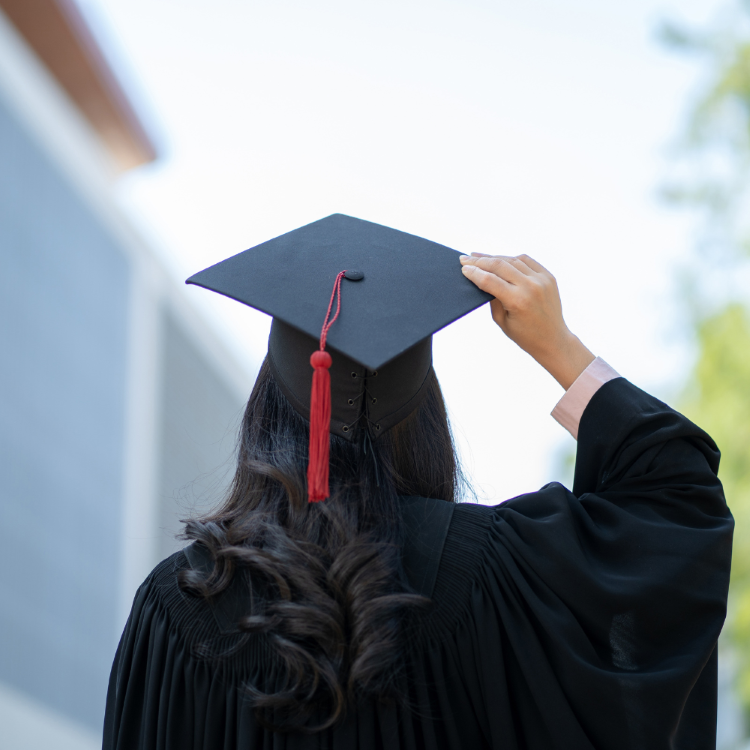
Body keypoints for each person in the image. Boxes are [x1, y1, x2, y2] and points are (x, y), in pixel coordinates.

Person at [103, 214, 733, 749]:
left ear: (269, 408)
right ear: (425, 415)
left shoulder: (178, 605)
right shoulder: (507, 573)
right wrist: (560, 348)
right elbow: (678, 502)